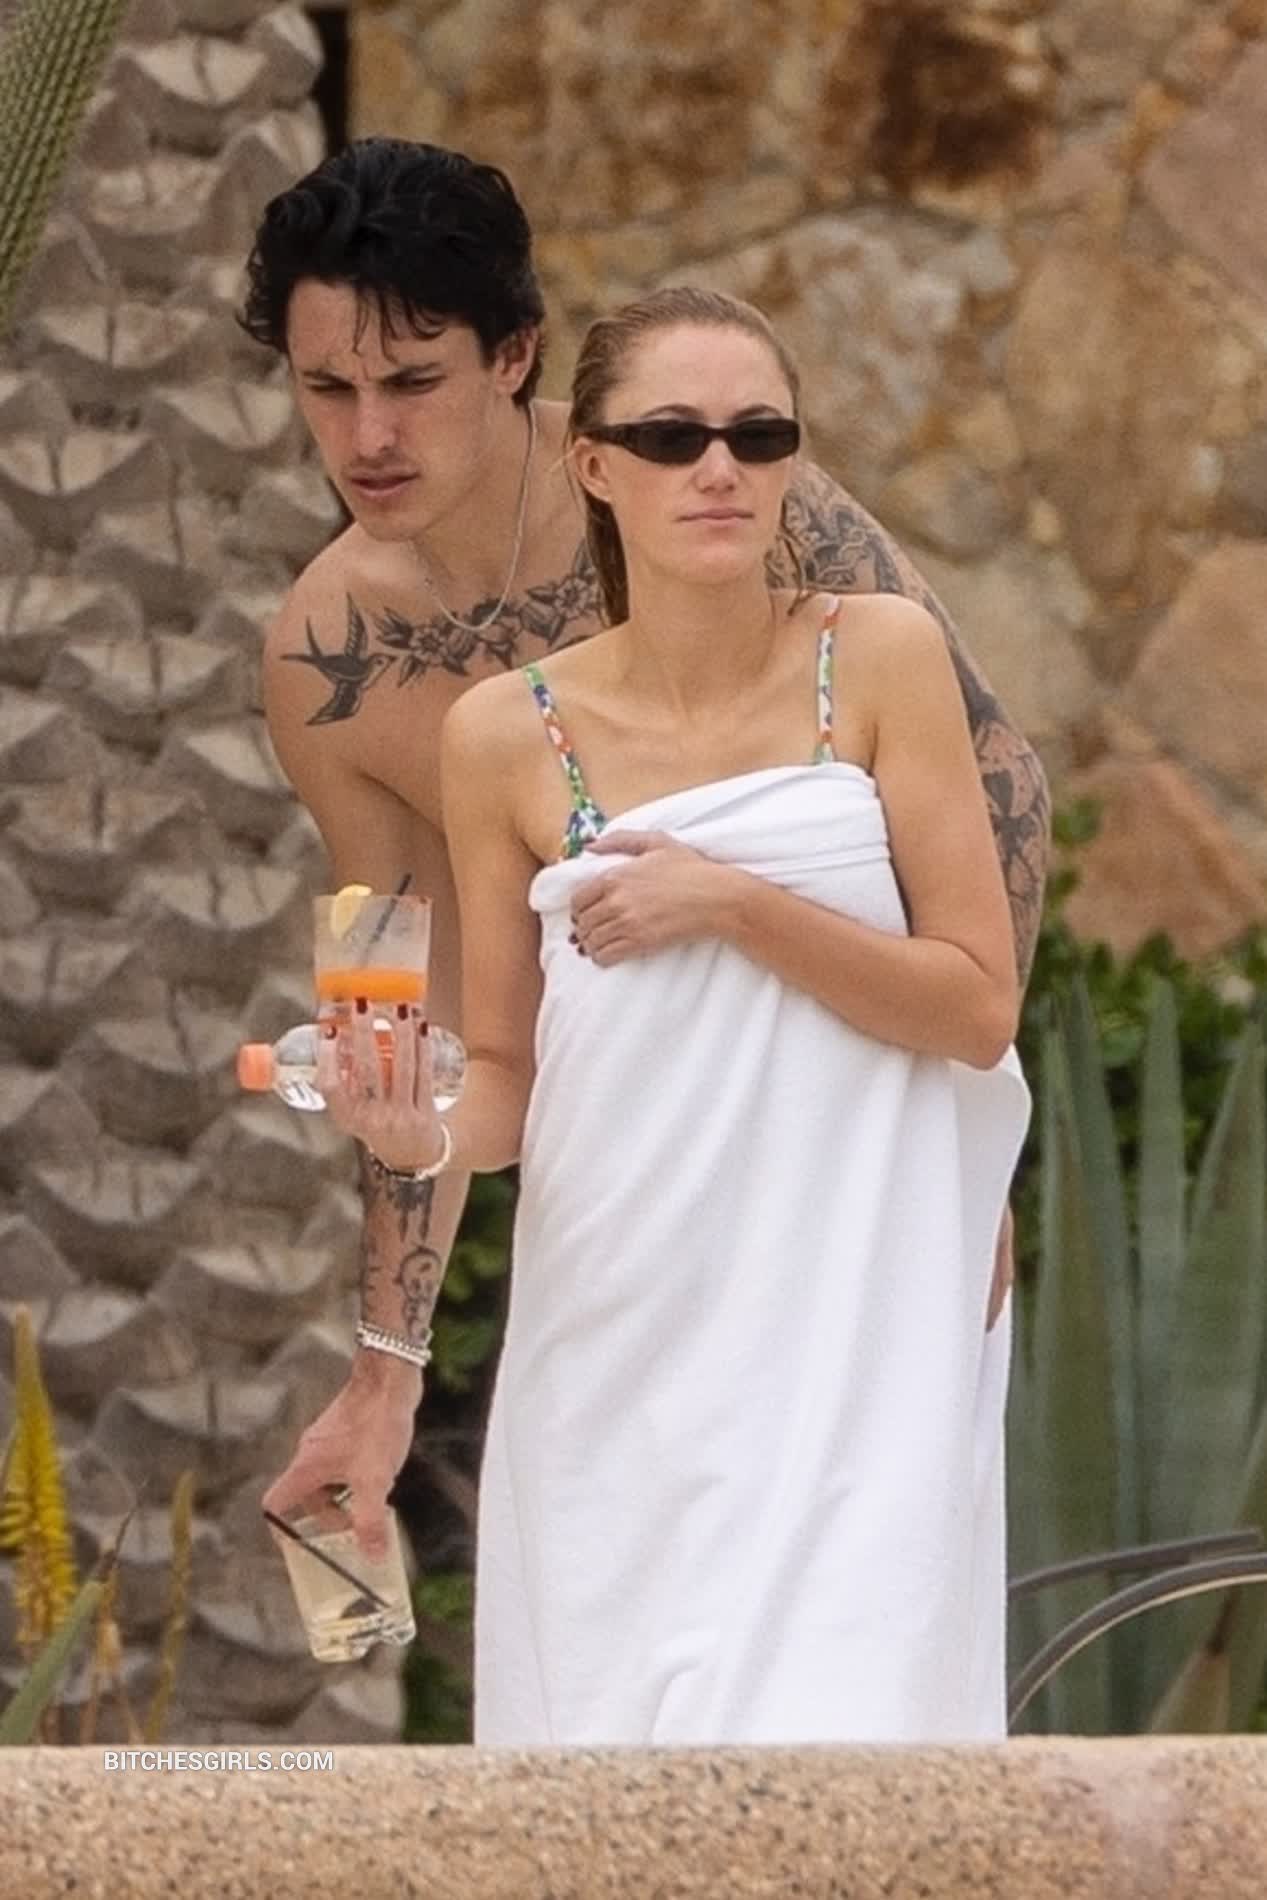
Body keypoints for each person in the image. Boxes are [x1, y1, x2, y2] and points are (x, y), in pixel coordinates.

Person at [248, 140, 1048, 1582]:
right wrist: (385, 1367)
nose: (368, 434)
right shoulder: (327, 666)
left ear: (514, 358)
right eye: (327, 389)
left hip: (855, 1186)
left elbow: (1000, 795)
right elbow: (415, 1016)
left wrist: (960, 1148)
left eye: (413, 381)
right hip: (631, 1222)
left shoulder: (695, 470)